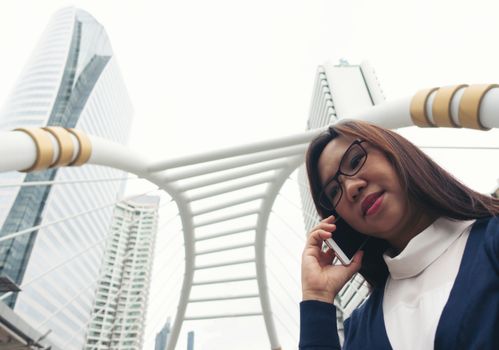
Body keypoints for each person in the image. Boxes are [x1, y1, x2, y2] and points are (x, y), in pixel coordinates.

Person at [299, 120, 499, 350]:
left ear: (393, 151)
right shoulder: (361, 329)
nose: (351, 189)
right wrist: (317, 295)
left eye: (355, 161)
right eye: (334, 191)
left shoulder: (490, 240)